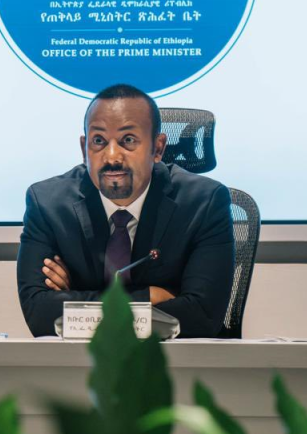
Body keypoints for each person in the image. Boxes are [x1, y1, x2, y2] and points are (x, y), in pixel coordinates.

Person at [16, 84, 235, 338]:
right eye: (99, 141)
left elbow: (202, 317)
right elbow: (39, 314)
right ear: (84, 149)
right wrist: (147, 297)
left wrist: (75, 301)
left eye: (128, 140)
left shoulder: (204, 203)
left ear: (158, 148)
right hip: (78, 359)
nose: (112, 157)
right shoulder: (47, 204)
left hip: (173, 358)